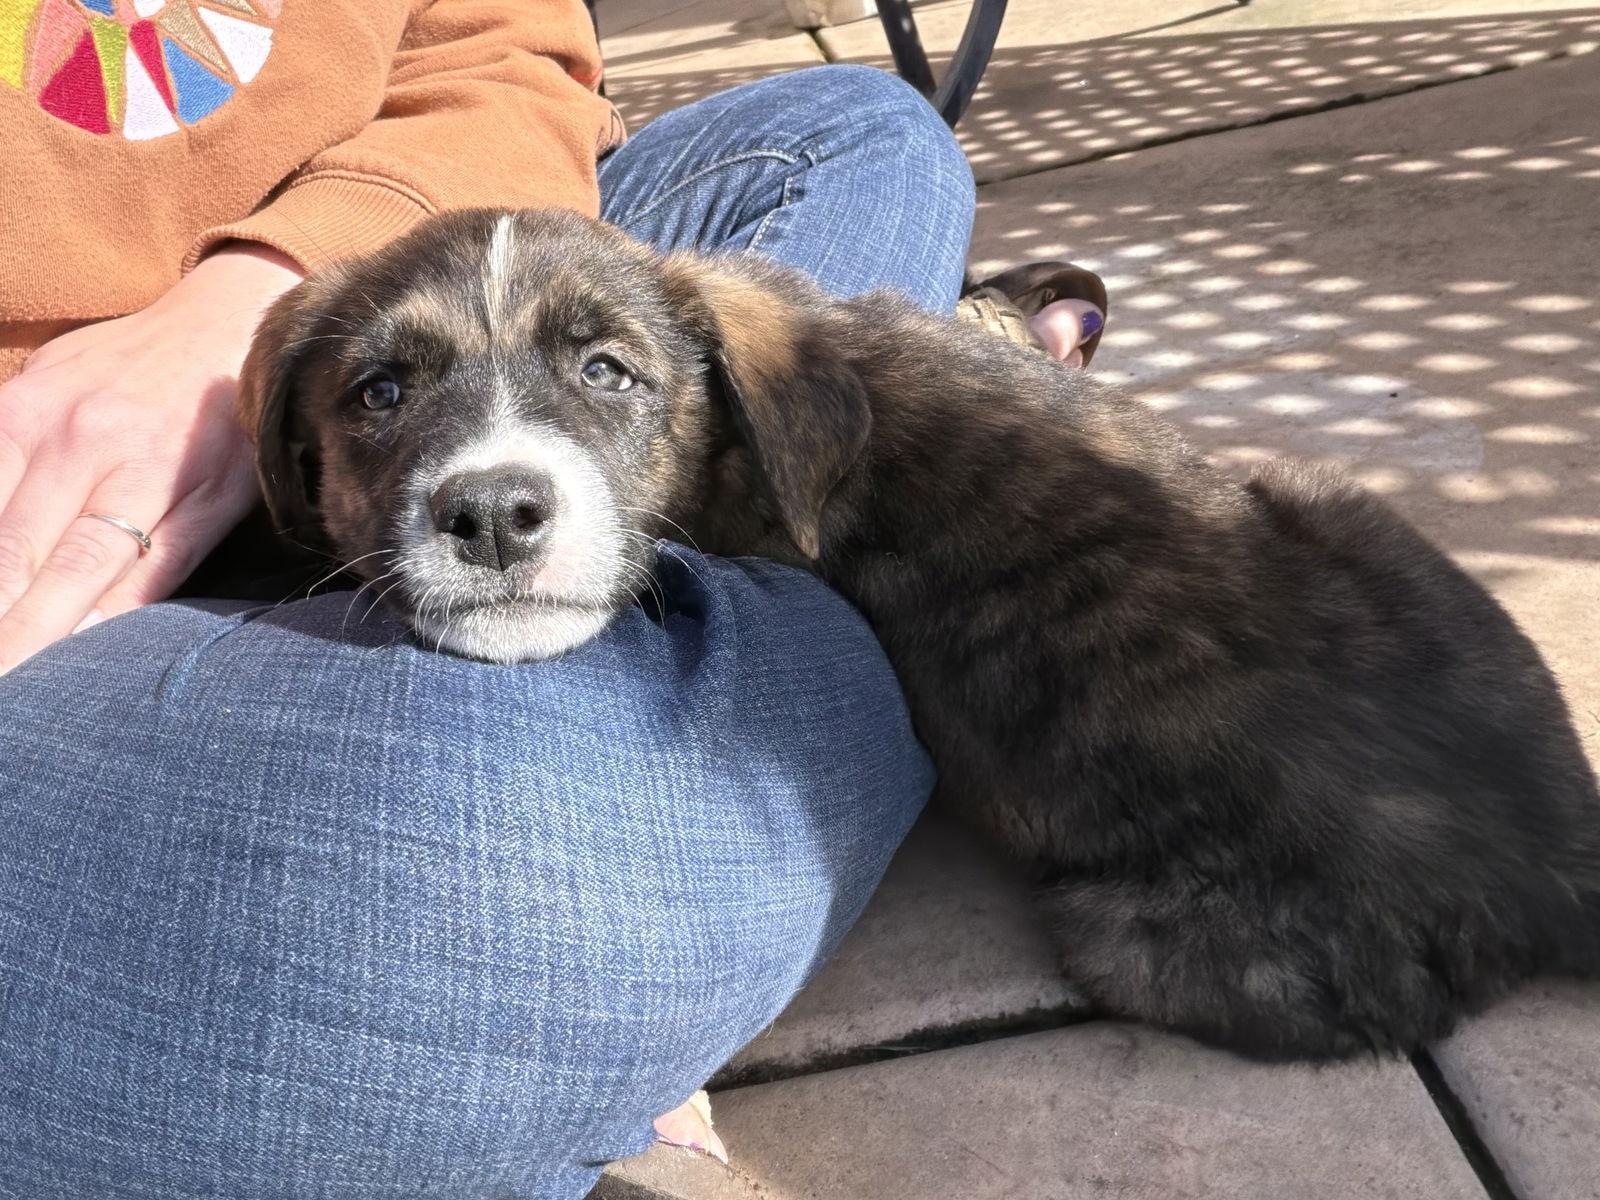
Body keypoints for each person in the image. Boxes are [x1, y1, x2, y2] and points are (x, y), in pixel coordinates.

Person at [0, 3, 1102, 1196]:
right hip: (52, 604)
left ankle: (781, 548)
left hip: (329, 296)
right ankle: (832, 545)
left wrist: (266, 291)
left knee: (860, 136)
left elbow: (498, 51)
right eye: (380, 394)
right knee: (491, 874)